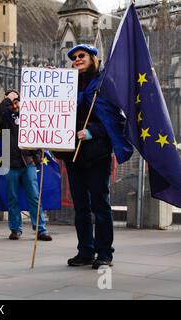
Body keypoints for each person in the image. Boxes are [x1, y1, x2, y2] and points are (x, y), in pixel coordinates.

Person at [61, 44, 132, 269]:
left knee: (100, 205)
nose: (77, 60)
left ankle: (104, 253)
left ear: (93, 58)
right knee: (80, 206)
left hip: (97, 154)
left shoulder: (105, 84)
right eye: (73, 58)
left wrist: (92, 131)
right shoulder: (67, 85)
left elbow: (116, 120)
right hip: (72, 154)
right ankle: (85, 251)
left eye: (81, 56)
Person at [0, 90, 52, 242]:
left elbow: (39, 132)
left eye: (16, 99)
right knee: (12, 197)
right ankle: (15, 229)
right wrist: (6, 102)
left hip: (27, 162)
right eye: (11, 100)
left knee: (34, 196)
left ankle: (40, 229)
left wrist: (37, 158)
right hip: (9, 163)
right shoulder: (3, 117)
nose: (14, 103)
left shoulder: (28, 116)